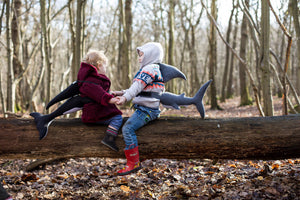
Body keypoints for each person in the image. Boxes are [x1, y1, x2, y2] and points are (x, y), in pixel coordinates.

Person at [30, 50, 122, 152]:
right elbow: (99, 94)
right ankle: (109, 139)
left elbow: (100, 92)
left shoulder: (91, 79)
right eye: (105, 66)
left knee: (115, 116)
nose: (106, 69)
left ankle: (45, 119)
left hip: (96, 112)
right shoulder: (91, 81)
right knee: (117, 118)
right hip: (95, 114)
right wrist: (111, 99)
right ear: (99, 66)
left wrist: (111, 94)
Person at [113, 42, 165, 175]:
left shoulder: (149, 69)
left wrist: (125, 98)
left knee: (127, 128)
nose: (139, 58)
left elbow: (136, 87)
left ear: (151, 55)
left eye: (142, 55)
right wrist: (121, 93)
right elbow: (139, 89)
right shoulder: (152, 69)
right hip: (147, 108)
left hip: (147, 110)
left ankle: (133, 163)